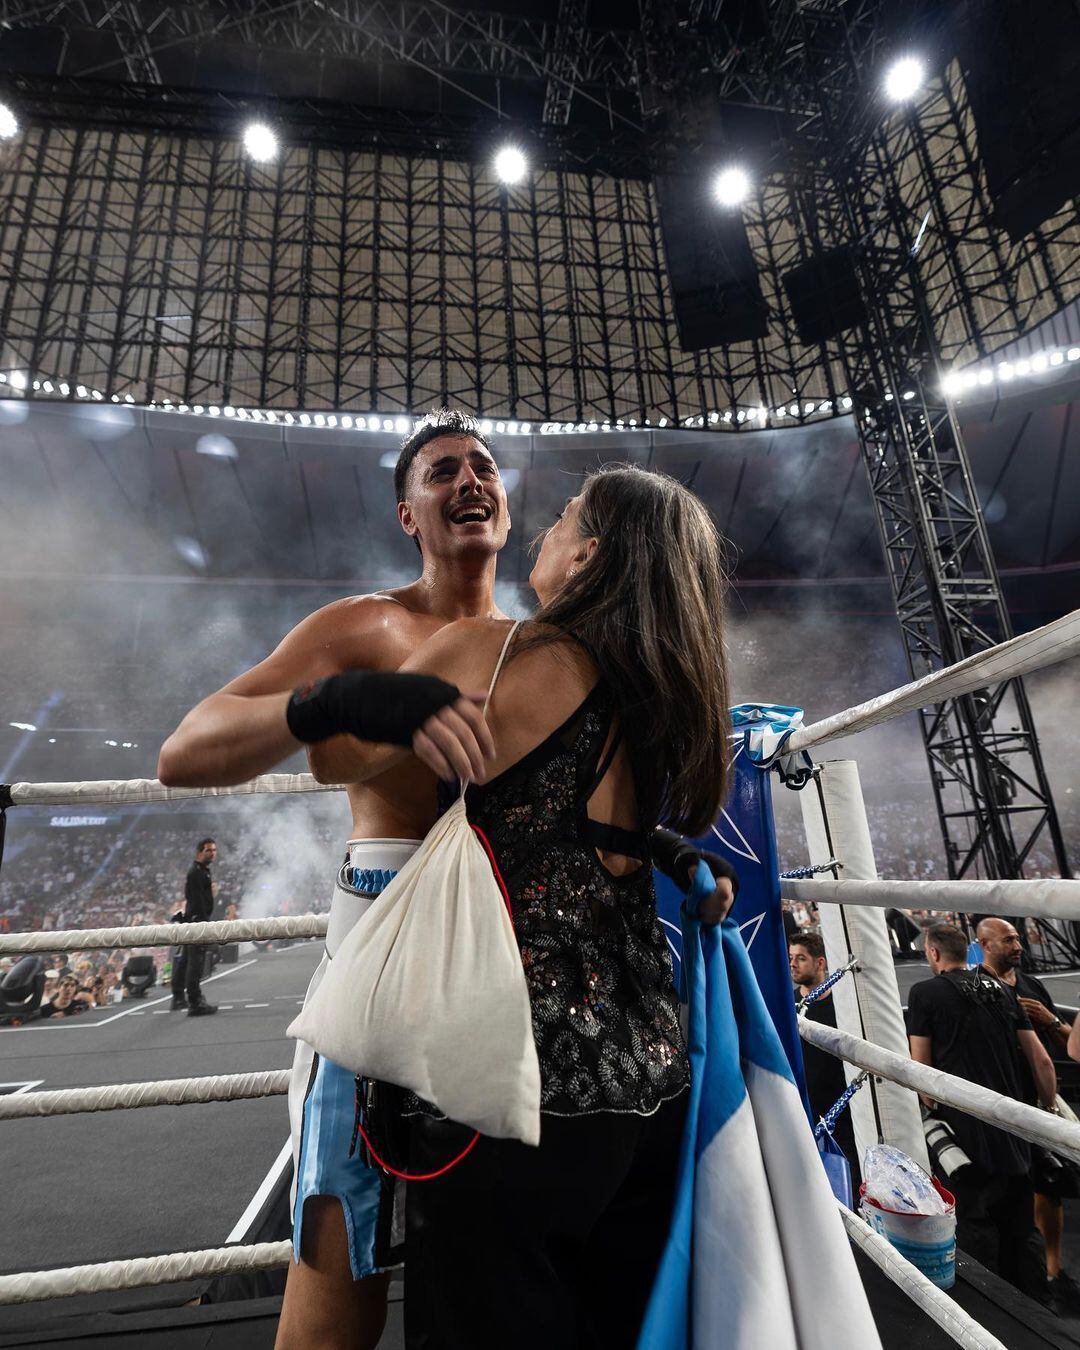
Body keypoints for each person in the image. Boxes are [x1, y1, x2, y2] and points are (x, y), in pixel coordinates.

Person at [287, 464, 736, 1347]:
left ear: (591, 554)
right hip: (645, 1082)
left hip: (509, 1095)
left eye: (565, 519)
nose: (545, 532)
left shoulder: (499, 653)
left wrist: (347, 694)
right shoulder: (658, 687)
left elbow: (331, 760)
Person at [158, 409, 513, 1350]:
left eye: (483, 466)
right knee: (341, 1253)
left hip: (510, 975)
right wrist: (337, 702)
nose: (470, 480)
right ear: (408, 511)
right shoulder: (366, 623)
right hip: (379, 971)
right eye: (442, 472)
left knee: (500, 1268)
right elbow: (184, 752)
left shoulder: (540, 644)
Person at [907, 922, 1057, 1301]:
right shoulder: (1004, 992)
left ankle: (988, 1324)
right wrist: (1047, 1113)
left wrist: (929, 1114)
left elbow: (920, 1072)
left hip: (966, 1133)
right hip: (1014, 1127)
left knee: (976, 1230)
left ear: (934, 953)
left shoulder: (925, 993)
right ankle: (1040, 1319)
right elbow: (1041, 1061)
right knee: (1022, 1232)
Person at [977, 916, 1080, 1311]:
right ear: (985, 944)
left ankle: (1054, 1271)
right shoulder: (975, 989)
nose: (1018, 945)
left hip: (1040, 1097)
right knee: (1014, 1191)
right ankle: (1028, 1276)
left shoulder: (1033, 988)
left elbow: (1070, 1042)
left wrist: (1049, 1020)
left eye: (1019, 938)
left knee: (1050, 1186)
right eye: (1008, 940)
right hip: (1003, 1102)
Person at [790, 932, 857, 1169]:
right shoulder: (787, 1004)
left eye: (801, 958)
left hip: (843, 1107)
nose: (793, 964)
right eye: (791, 957)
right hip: (806, 1106)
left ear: (820, 963)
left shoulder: (844, 1005)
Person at [169, 838, 219, 1016]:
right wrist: (203, 924)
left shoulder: (202, 871)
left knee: (186, 962)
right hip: (197, 923)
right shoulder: (196, 873)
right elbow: (197, 901)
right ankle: (195, 1001)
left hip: (194, 921)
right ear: (199, 852)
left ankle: (179, 998)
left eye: (214, 850)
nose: (212, 853)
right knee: (194, 964)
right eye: (208, 850)